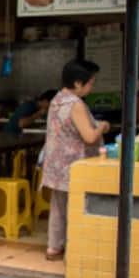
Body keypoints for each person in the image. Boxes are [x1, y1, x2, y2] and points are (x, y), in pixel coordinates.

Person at [41, 59, 110, 262]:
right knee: (78, 207)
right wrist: (103, 127)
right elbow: (89, 136)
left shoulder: (56, 99)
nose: (92, 87)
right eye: (91, 83)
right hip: (75, 165)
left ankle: (54, 247)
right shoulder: (75, 104)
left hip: (56, 164)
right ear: (78, 83)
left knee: (59, 206)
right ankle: (76, 248)